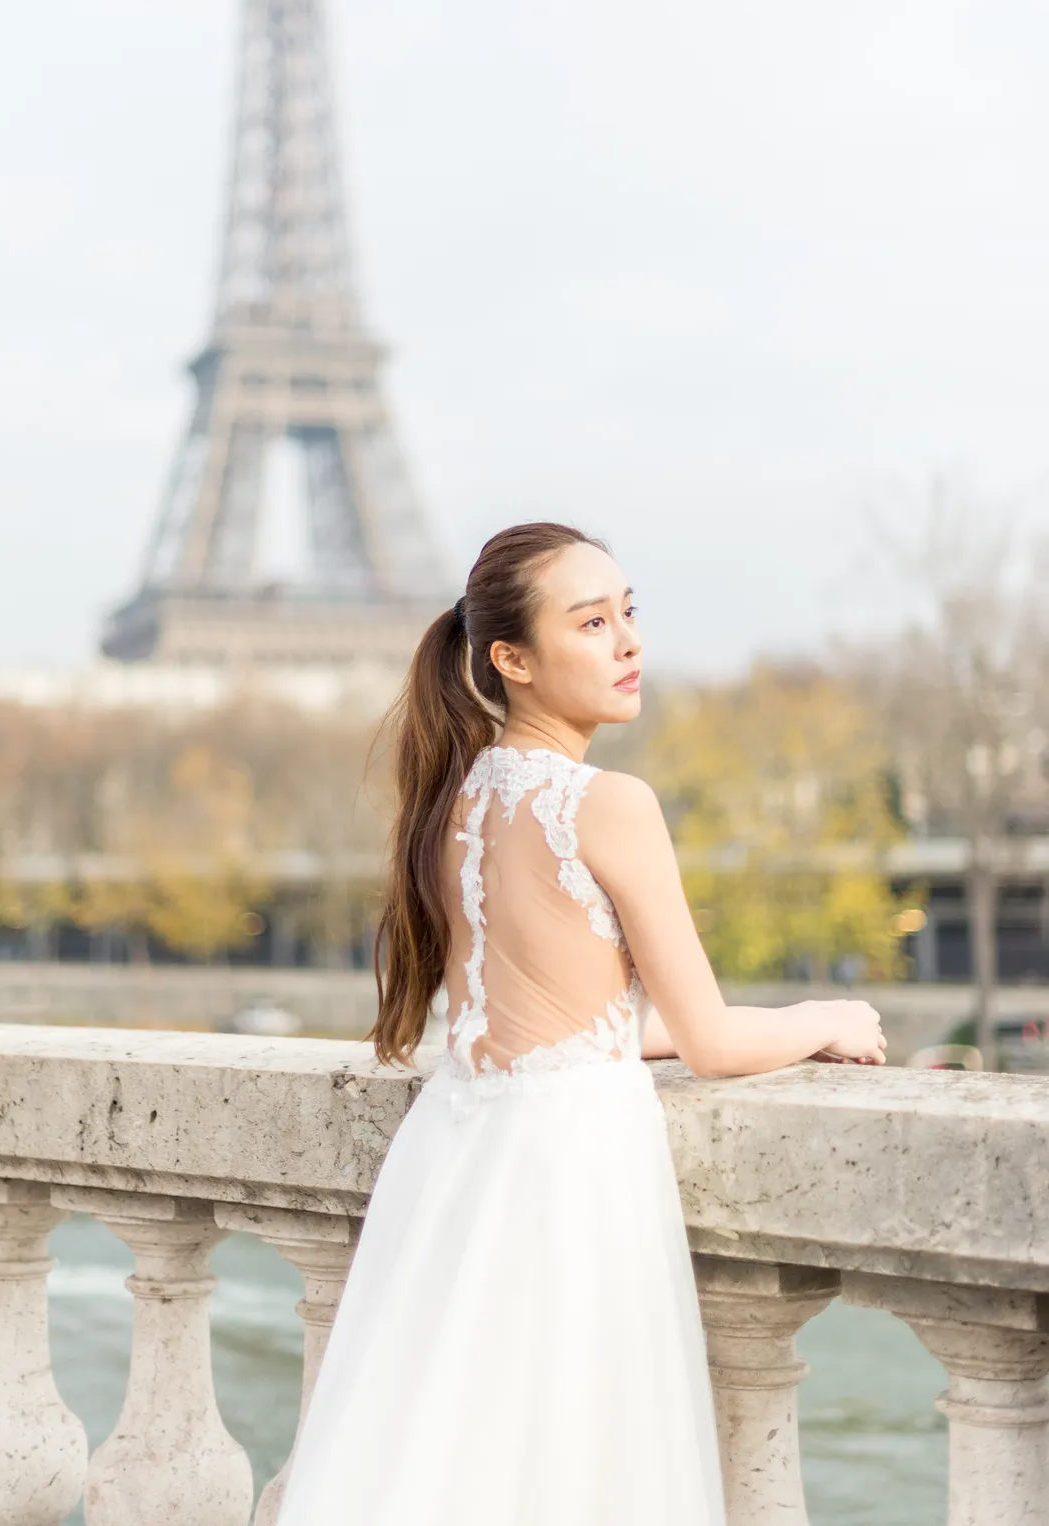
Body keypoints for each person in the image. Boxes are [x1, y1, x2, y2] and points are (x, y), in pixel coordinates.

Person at [275, 521, 886, 1526]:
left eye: (629, 613)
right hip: (571, 1172)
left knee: (450, 1460)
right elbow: (713, 1046)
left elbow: (560, 1020)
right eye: (593, 622)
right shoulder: (610, 802)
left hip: (456, 1157)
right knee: (575, 1471)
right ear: (510, 660)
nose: (629, 642)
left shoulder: (454, 800)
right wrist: (826, 1013)